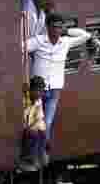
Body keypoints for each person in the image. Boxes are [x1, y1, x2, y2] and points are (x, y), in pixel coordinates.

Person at [25, 14, 91, 143]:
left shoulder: (65, 42)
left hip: (55, 89)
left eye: (59, 27)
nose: (56, 30)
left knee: (47, 122)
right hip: (37, 89)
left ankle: (42, 149)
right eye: (54, 27)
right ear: (47, 27)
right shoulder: (38, 41)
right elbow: (21, 47)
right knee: (35, 121)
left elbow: (85, 35)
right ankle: (37, 149)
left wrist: (66, 31)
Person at [21, 76, 48, 172]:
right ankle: (28, 160)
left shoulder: (38, 100)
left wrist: (36, 126)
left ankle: (39, 155)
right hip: (23, 126)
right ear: (31, 89)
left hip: (31, 125)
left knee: (43, 132)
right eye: (38, 91)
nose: (40, 94)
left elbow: (39, 117)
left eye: (41, 91)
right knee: (33, 134)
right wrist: (30, 127)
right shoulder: (24, 99)